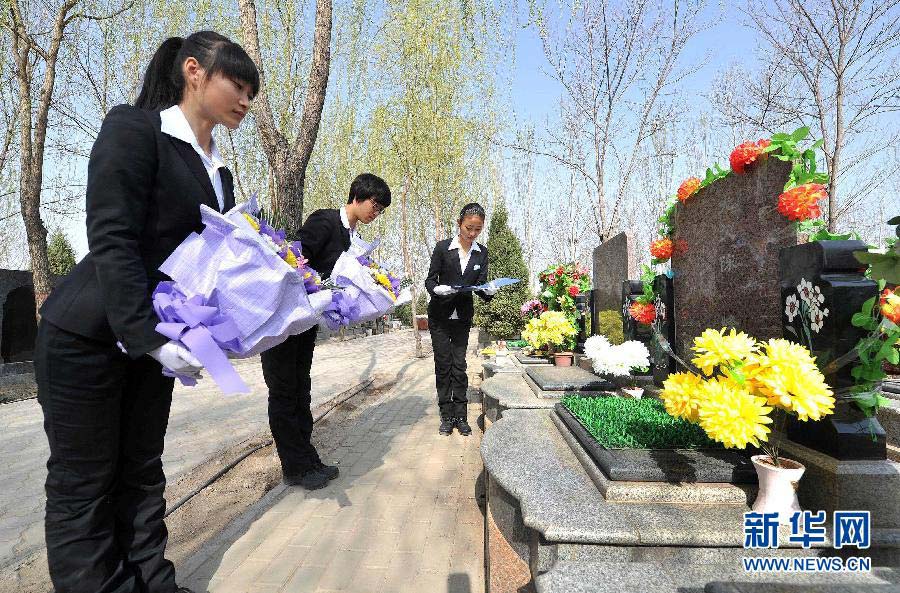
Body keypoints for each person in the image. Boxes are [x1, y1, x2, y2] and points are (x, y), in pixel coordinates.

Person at [35, 32, 258, 593]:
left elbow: (213, 267)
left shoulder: (219, 174)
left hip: (157, 343)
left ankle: (154, 582)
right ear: (195, 72)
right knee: (85, 485)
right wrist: (146, 334)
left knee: (141, 472)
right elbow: (111, 237)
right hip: (89, 335)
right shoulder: (137, 129)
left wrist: (292, 302)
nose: (247, 101)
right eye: (239, 85)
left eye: (253, 93)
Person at [261, 173, 391, 490]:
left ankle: (307, 460)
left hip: (305, 324)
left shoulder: (351, 239)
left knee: (301, 390)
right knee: (285, 393)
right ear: (358, 196)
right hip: (284, 320)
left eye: (382, 209)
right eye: (376, 204)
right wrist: (315, 281)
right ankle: (294, 468)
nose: (377, 212)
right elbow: (292, 259)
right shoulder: (325, 222)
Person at [425, 203, 497, 436]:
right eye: (469, 228)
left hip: (462, 318)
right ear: (459, 224)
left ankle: (461, 416)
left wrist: (489, 290)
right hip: (439, 316)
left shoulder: (481, 253)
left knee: (460, 366)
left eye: (477, 229)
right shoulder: (442, 248)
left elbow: (480, 287)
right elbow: (430, 280)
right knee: (443, 365)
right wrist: (437, 290)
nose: (472, 234)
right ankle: (447, 417)